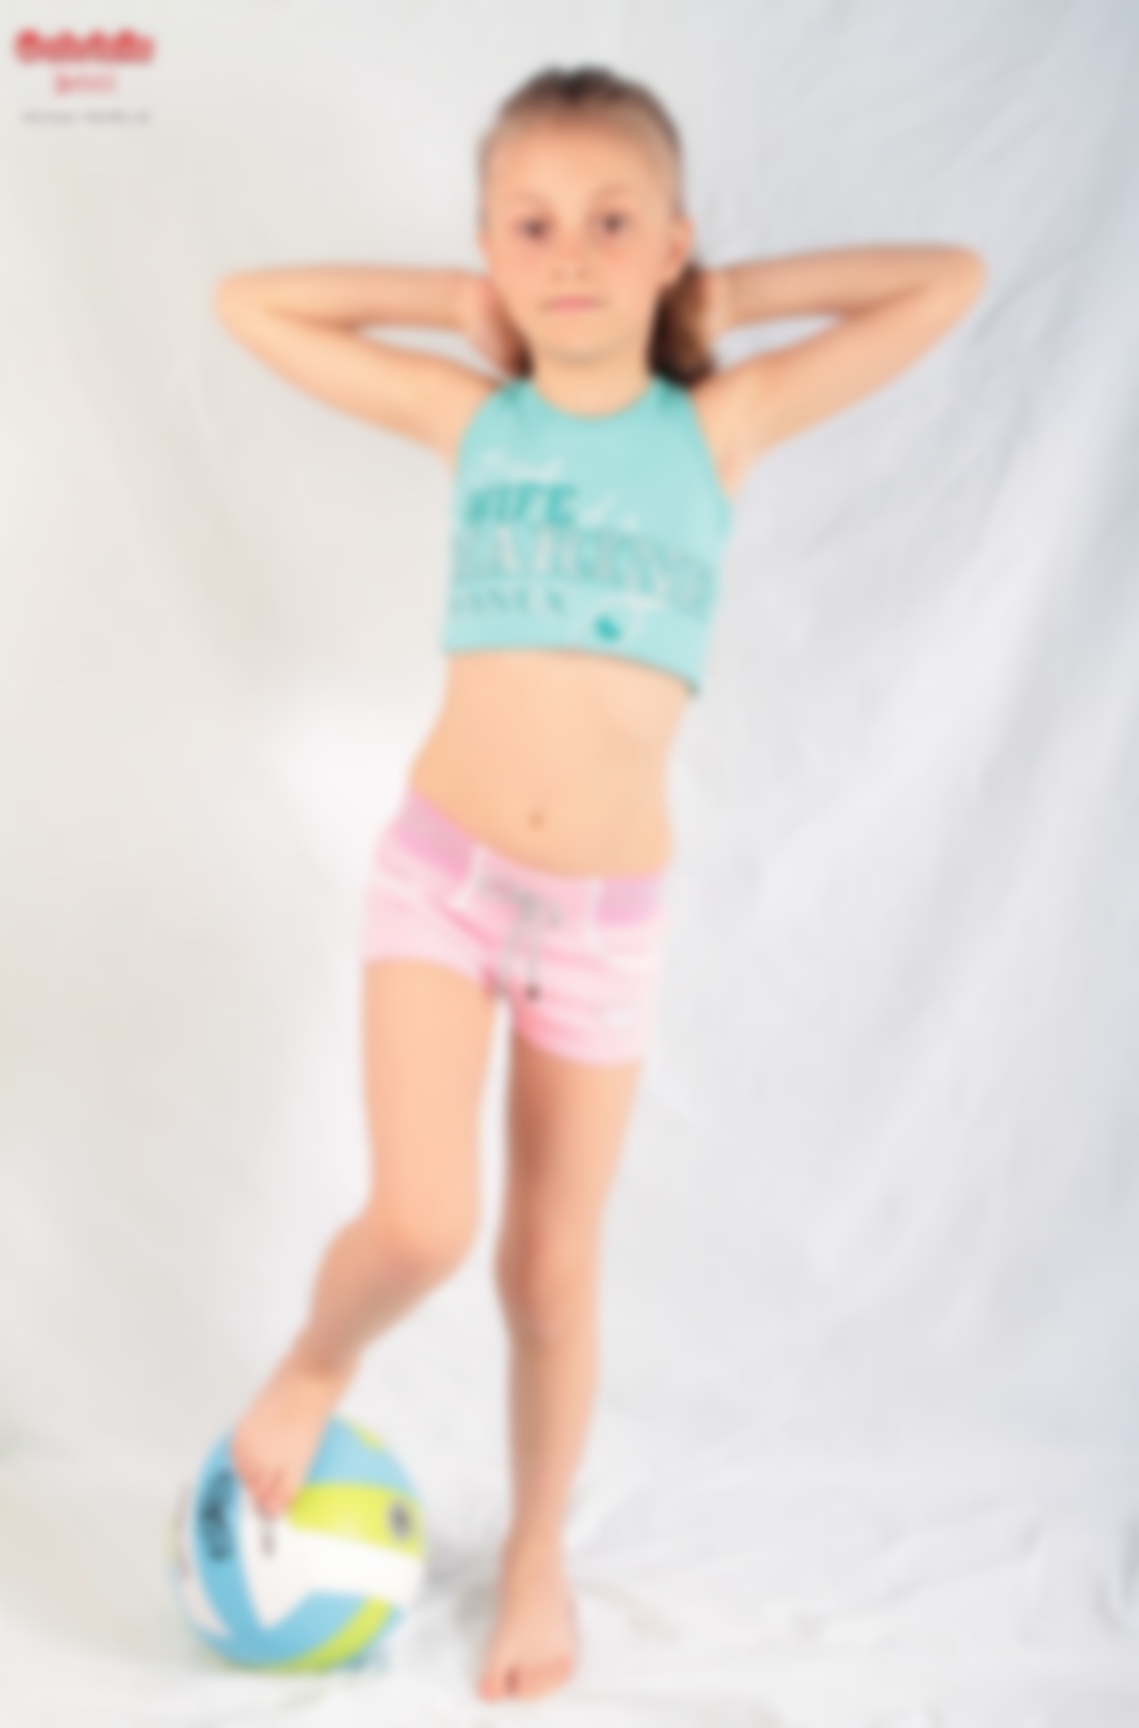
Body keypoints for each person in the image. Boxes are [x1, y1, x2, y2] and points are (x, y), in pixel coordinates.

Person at [213, 63, 985, 1704]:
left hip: (600, 926)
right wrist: (448, 305)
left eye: (611, 223)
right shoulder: (472, 415)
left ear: (671, 244)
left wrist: (729, 302)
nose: (570, 255)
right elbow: (250, 306)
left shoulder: (717, 425)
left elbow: (951, 280)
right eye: (532, 228)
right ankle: (313, 1363)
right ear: (493, 251)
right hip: (443, 878)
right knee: (423, 1221)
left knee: (549, 1278)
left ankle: (538, 1554)